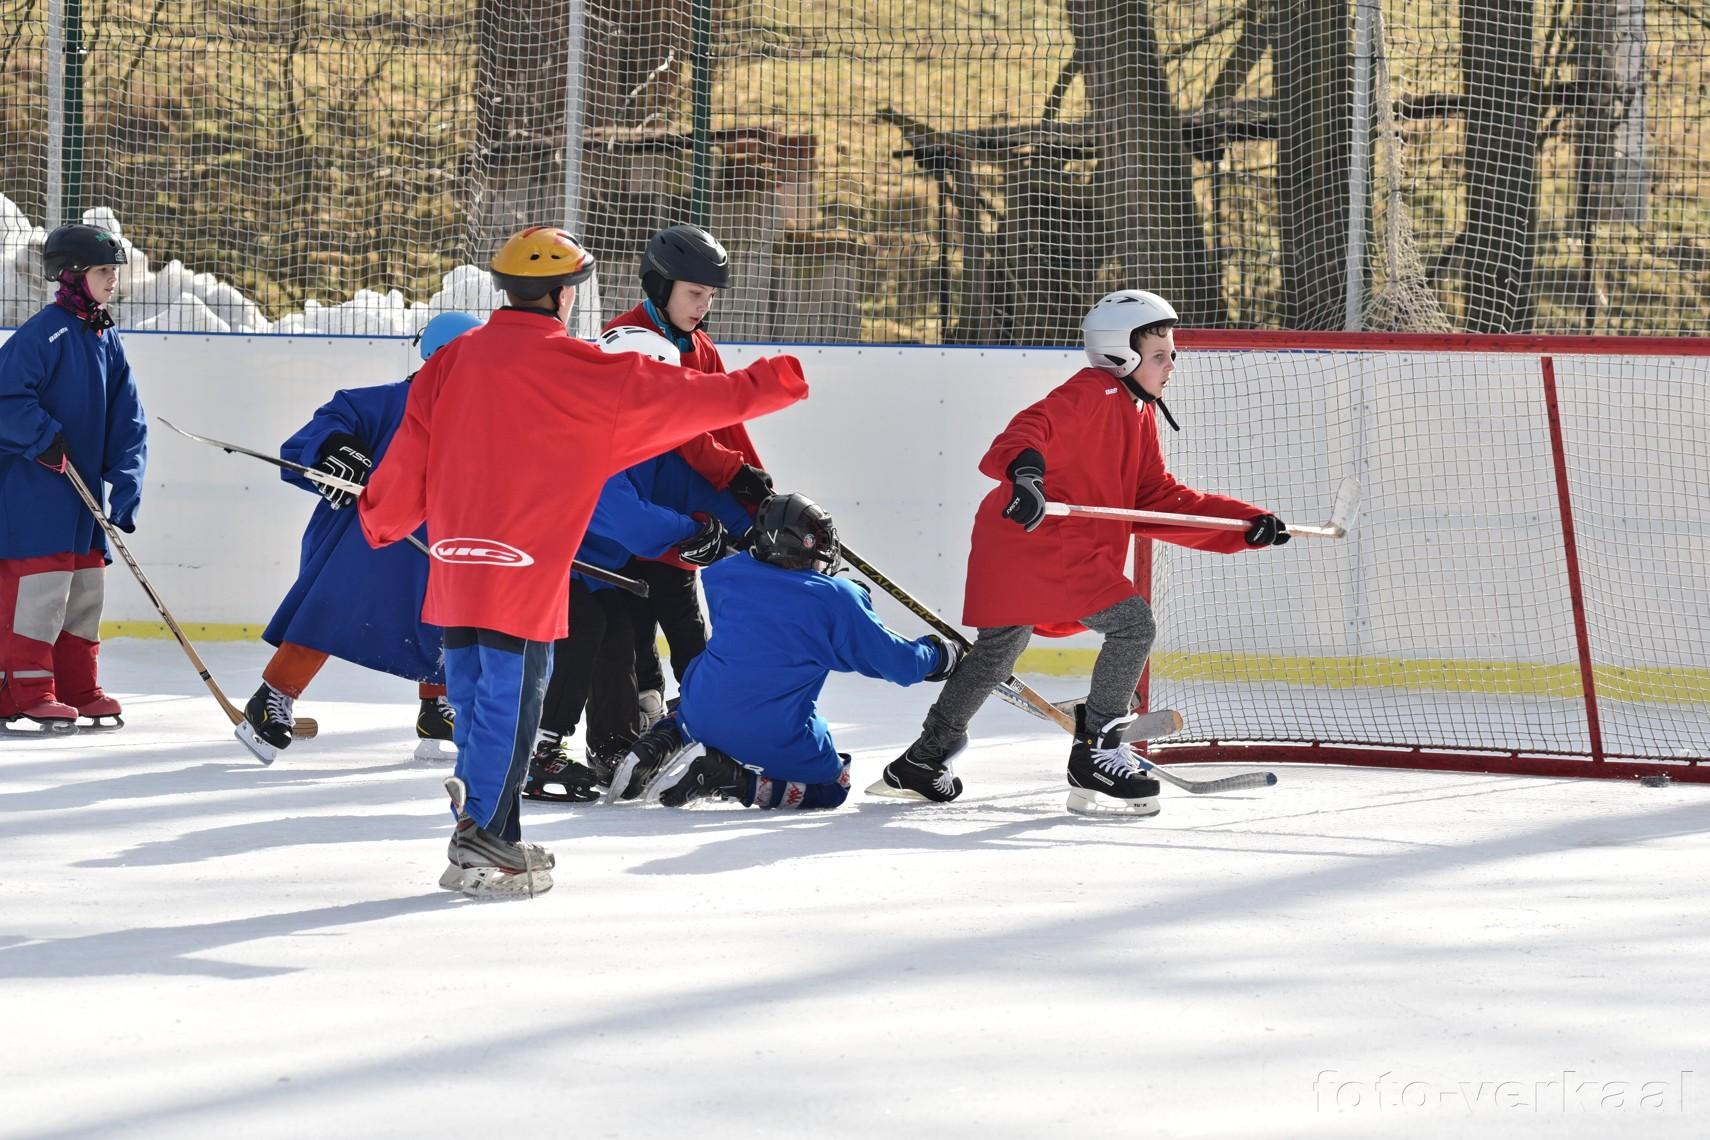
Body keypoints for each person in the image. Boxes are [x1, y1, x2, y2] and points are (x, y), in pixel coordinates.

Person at [357, 225, 808, 898]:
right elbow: (688, 399)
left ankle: (483, 827)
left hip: (455, 568)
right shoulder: (575, 365)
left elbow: (407, 455)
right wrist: (778, 380)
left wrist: (381, 518)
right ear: (564, 296)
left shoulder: (453, 360)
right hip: (521, 573)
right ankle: (486, 838)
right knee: (509, 708)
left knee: (476, 701)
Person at [870, 289, 1293, 817]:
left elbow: (1155, 499)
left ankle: (925, 758)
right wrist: (1026, 472)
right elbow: (1031, 428)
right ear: (1122, 356)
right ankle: (1097, 752)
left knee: (997, 654)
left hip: (1022, 543)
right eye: (1160, 356)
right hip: (1041, 538)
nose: (1172, 365)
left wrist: (1243, 524)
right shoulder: (1092, 390)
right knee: (1132, 625)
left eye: (1172, 354)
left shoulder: (1138, 413)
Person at [607, 492, 960, 812]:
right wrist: (939, 654)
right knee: (833, 787)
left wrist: (844, 601)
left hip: (698, 711)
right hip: (770, 732)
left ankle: (663, 738)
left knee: (715, 686)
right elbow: (897, 663)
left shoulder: (724, 575)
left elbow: (772, 600)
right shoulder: (836, 600)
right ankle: (734, 781)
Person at [235, 311, 482, 764]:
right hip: (361, 537)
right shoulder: (386, 401)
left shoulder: (480, 419)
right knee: (332, 609)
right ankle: (272, 698)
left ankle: (438, 707)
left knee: (446, 616)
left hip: (437, 540)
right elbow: (324, 428)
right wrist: (335, 450)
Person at [524, 326, 751, 803]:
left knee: (619, 633)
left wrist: (755, 525)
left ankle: (610, 745)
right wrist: (695, 530)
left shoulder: (645, 436)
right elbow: (631, 521)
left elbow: (684, 487)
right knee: (586, 627)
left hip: (594, 568)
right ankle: (538, 749)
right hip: (549, 559)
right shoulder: (590, 433)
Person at [605, 224, 778, 719]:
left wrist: (756, 490)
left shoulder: (701, 347)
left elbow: (725, 423)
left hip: (684, 514)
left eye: (710, 296)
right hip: (633, 509)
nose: (703, 305)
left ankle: (709, 705)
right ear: (660, 285)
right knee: (633, 617)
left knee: (682, 616)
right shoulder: (626, 341)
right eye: (694, 293)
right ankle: (646, 702)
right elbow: (674, 428)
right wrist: (732, 472)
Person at [0, 223, 146, 734]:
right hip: (36, 493)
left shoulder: (105, 336)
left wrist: (127, 479)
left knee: (84, 590)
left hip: (85, 498)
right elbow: (5, 396)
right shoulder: (45, 333)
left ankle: (76, 686)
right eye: (103, 270)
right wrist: (42, 437)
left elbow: (129, 417)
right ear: (71, 274)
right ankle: (25, 689)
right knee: (39, 591)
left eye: (113, 271)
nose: (112, 279)